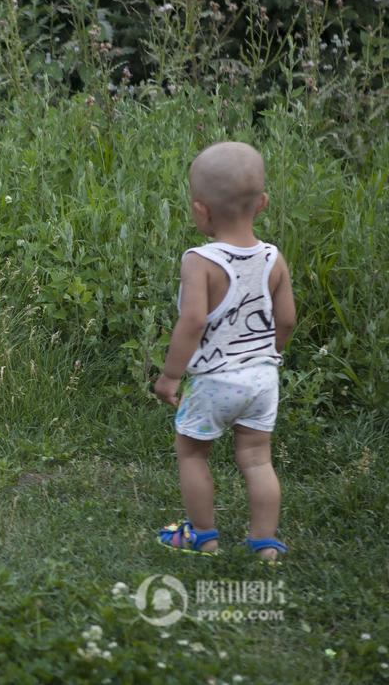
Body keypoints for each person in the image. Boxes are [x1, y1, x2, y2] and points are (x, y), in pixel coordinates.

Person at [153, 142, 296, 562]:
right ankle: (265, 542)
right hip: (262, 378)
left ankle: (203, 535)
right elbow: (286, 320)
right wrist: (269, 355)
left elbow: (192, 322)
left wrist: (171, 376)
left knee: (192, 453)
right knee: (256, 459)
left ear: (201, 211)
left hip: (215, 381)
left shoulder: (201, 260)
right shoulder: (273, 257)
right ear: (263, 203)